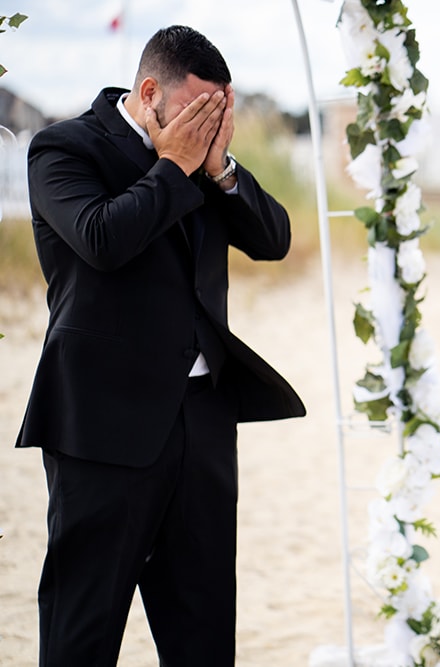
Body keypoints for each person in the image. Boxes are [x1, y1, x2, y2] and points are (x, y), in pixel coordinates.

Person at [16, 25, 306, 666]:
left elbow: (273, 239)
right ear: (150, 93)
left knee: (203, 631)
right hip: (101, 424)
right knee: (81, 632)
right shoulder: (63, 149)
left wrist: (222, 170)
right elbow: (101, 240)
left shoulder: (204, 159)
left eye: (220, 114)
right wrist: (175, 166)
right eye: (199, 111)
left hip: (203, 420)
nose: (208, 126)